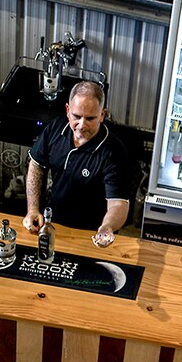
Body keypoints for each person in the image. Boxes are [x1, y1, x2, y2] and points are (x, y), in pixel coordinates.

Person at [22, 81, 130, 247]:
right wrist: (33, 209)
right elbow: (37, 166)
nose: (82, 125)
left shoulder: (114, 152)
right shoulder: (56, 129)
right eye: (76, 117)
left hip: (92, 235)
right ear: (67, 110)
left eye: (90, 118)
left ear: (102, 115)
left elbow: (118, 203)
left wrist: (107, 227)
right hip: (51, 224)